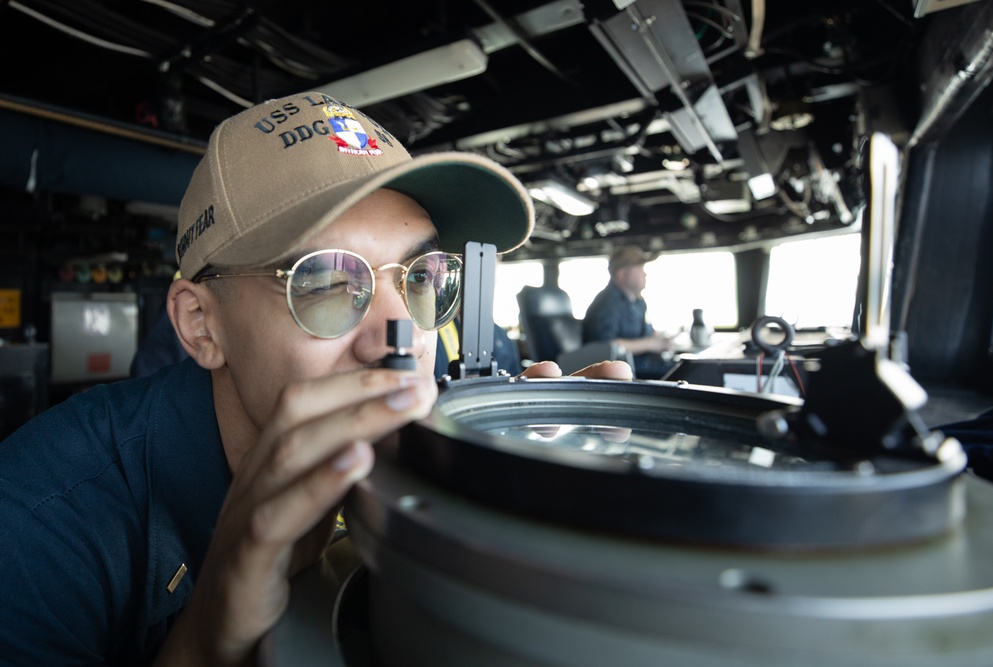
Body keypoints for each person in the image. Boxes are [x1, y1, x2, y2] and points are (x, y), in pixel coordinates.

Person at [0, 91, 631, 666]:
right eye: (328, 283)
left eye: (421, 278)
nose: (402, 337)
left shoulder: (427, 445)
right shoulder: (38, 522)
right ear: (200, 324)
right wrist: (205, 639)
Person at [582, 244, 674, 380]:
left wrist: (660, 340)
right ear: (623, 274)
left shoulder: (639, 302)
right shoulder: (607, 303)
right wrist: (650, 344)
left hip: (643, 364)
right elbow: (606, 346)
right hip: (622, 372)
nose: (645, 273)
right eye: (640, 268)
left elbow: (647, 333)